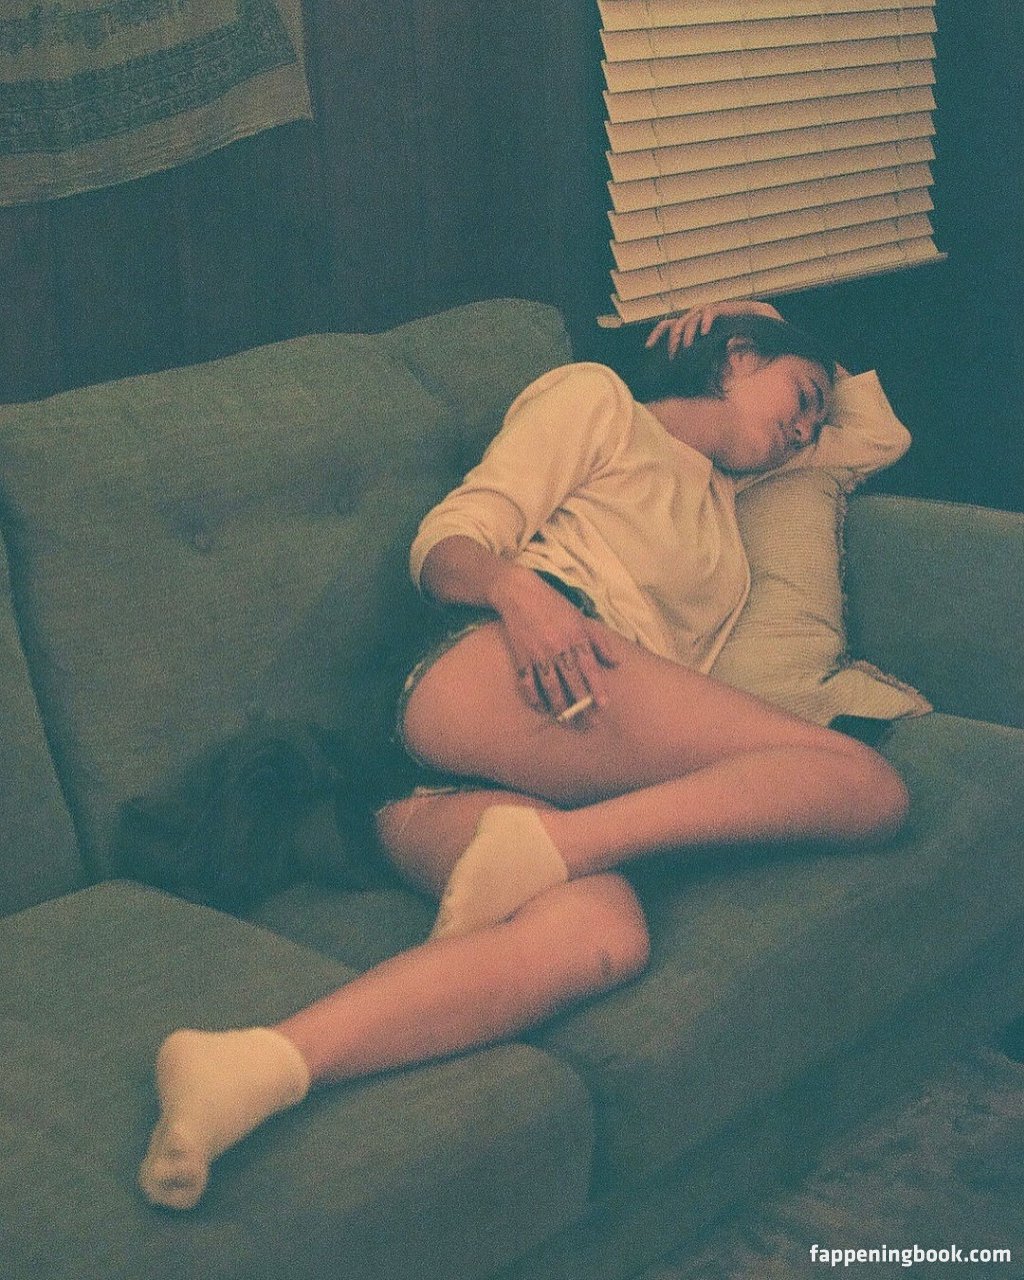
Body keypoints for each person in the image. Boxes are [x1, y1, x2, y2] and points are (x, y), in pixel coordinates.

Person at [138, 299, 911, 1210]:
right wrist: (521, 597)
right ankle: (569, 844)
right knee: (864, 784)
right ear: (736, 356)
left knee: (600, 938)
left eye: (815, 417)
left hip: (446, 774)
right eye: (803, 394)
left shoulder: (727, 508)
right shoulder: (599, 401)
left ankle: (250, 1066)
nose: (808, 427)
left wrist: (771, 323)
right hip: (505, 661)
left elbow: (875, 435)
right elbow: (446, 545)